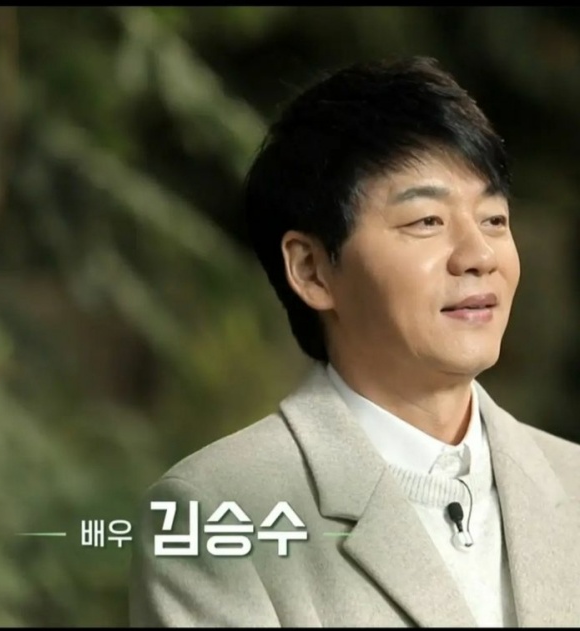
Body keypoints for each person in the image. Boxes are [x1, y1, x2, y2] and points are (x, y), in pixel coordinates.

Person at [128, 56, 580, 627]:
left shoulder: (572, 482)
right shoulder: (218, 512)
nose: (479, 256)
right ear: (312, 270)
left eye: (493, 219)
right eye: (426, 221)